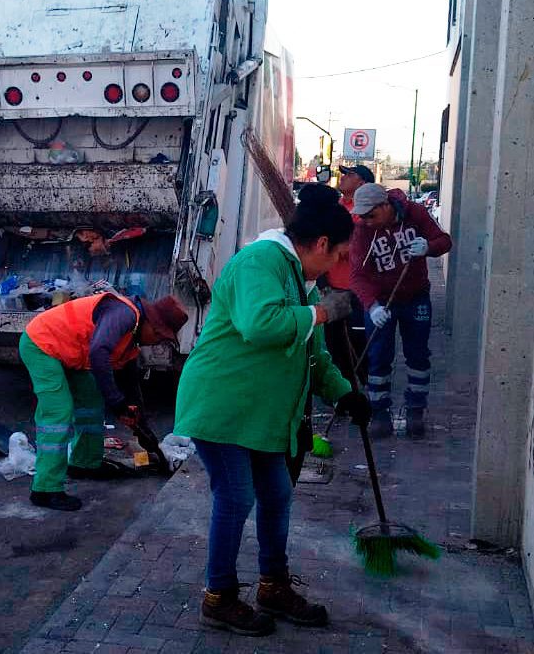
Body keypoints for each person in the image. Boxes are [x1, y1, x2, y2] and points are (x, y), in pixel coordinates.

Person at [173, 183, 370, 637]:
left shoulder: (297, 278)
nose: (340, 265)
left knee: (277, 494)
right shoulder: (260, 263)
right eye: (340, 254)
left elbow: (312, 353)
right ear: (321, 244)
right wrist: (321, 313)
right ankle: (218, 597)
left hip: (260, 416)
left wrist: (343, 393)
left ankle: (272, 585)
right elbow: (262, 325)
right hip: (223, 407)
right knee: (237, 496)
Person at [19, 292, 189, 512]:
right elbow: (99, 352)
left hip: (70, 352)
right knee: (57, 412)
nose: (157, 342)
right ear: (152, 325)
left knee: (91, 402)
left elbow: (131, 383)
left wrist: (140, 423)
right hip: (42, 344)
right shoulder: (124, 315)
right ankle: (45, 489)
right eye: (160, 336)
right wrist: (116, 402)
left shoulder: (133, 339)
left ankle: (84, 463)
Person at [349, 182, 453, 439]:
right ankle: (379, 413)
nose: (366, 220)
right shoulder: (362, 231)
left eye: (370, 215)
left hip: (416, 296)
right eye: (362, 216)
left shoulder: (414, 213)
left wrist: (428, 247)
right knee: (378, 355)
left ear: (385, 206)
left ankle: (416, 410)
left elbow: (444, 241)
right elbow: (358, 275)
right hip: (381, 301)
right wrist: (372, 306)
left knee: (417, 354)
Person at [322, 164, 375, 387]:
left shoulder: (366, 213)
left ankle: (368, 386)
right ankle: (345, 390)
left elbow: (362, 249)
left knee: (358, 342)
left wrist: (340, 248)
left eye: (349, 175)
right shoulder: (335, 209)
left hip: (356, 290)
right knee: (335, 344)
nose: (342, 177)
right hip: (333, 288)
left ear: (362, 183)